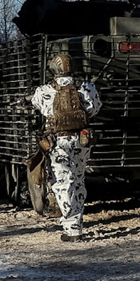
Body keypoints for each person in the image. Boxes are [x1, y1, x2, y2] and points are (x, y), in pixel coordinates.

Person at [30, 53, 102, 242]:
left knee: (62, 184)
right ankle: (76, 222)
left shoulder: (44, 90)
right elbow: (95, 108)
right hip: (81, 141)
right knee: (78, 181)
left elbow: (36, 105)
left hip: (57, 143)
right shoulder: (86, 87)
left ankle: (72, 229)